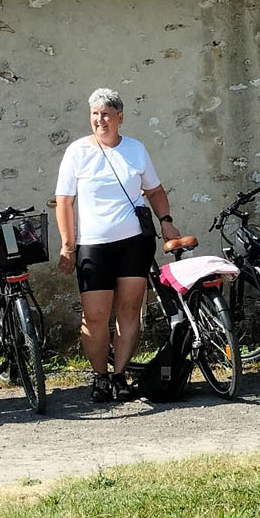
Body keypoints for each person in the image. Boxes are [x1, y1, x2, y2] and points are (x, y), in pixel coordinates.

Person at [55, 88, 181, 403]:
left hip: (134, 243)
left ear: (120, 118)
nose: (100, 120)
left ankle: (120, 374)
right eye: (95, 114)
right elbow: (64, 202)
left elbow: (154, 190)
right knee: (95, 315)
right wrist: (68, 245)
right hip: (93, 246)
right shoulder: (77, 152)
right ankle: (99, 376)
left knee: (128, 310)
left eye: (107, 114)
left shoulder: (136, 150)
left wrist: (165, 220)